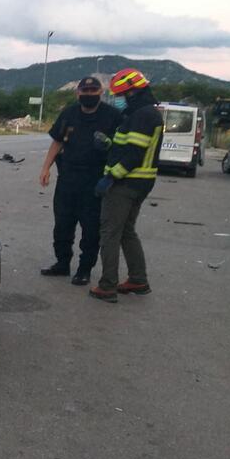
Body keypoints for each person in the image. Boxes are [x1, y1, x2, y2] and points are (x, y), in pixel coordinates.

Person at [88, 68, 163, 303]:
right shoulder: (146, 113)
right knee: (127, 232)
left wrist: (111, 178)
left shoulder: (142, 115)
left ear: (132, 92)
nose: (120, 100)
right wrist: (109, 144)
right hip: (141, 183)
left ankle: (107, 286)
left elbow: (133, 155)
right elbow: (127, 146)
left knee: (110, 233)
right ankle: (138, 279)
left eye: (122, 95)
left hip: (126, 184)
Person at [38, 77, 123, 285]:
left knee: (91, 228)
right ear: (78, 93)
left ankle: (84, 269)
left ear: (101, 92)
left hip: (95, 179)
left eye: (93, 90)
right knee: (62, 224)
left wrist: (109, 149)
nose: (89, 94)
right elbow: (57, 141)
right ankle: (62, 263)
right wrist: (46, 168)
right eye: (85, 90)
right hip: (68, 177)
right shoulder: (69, 113)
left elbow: (122, 147)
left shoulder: (112, 116)